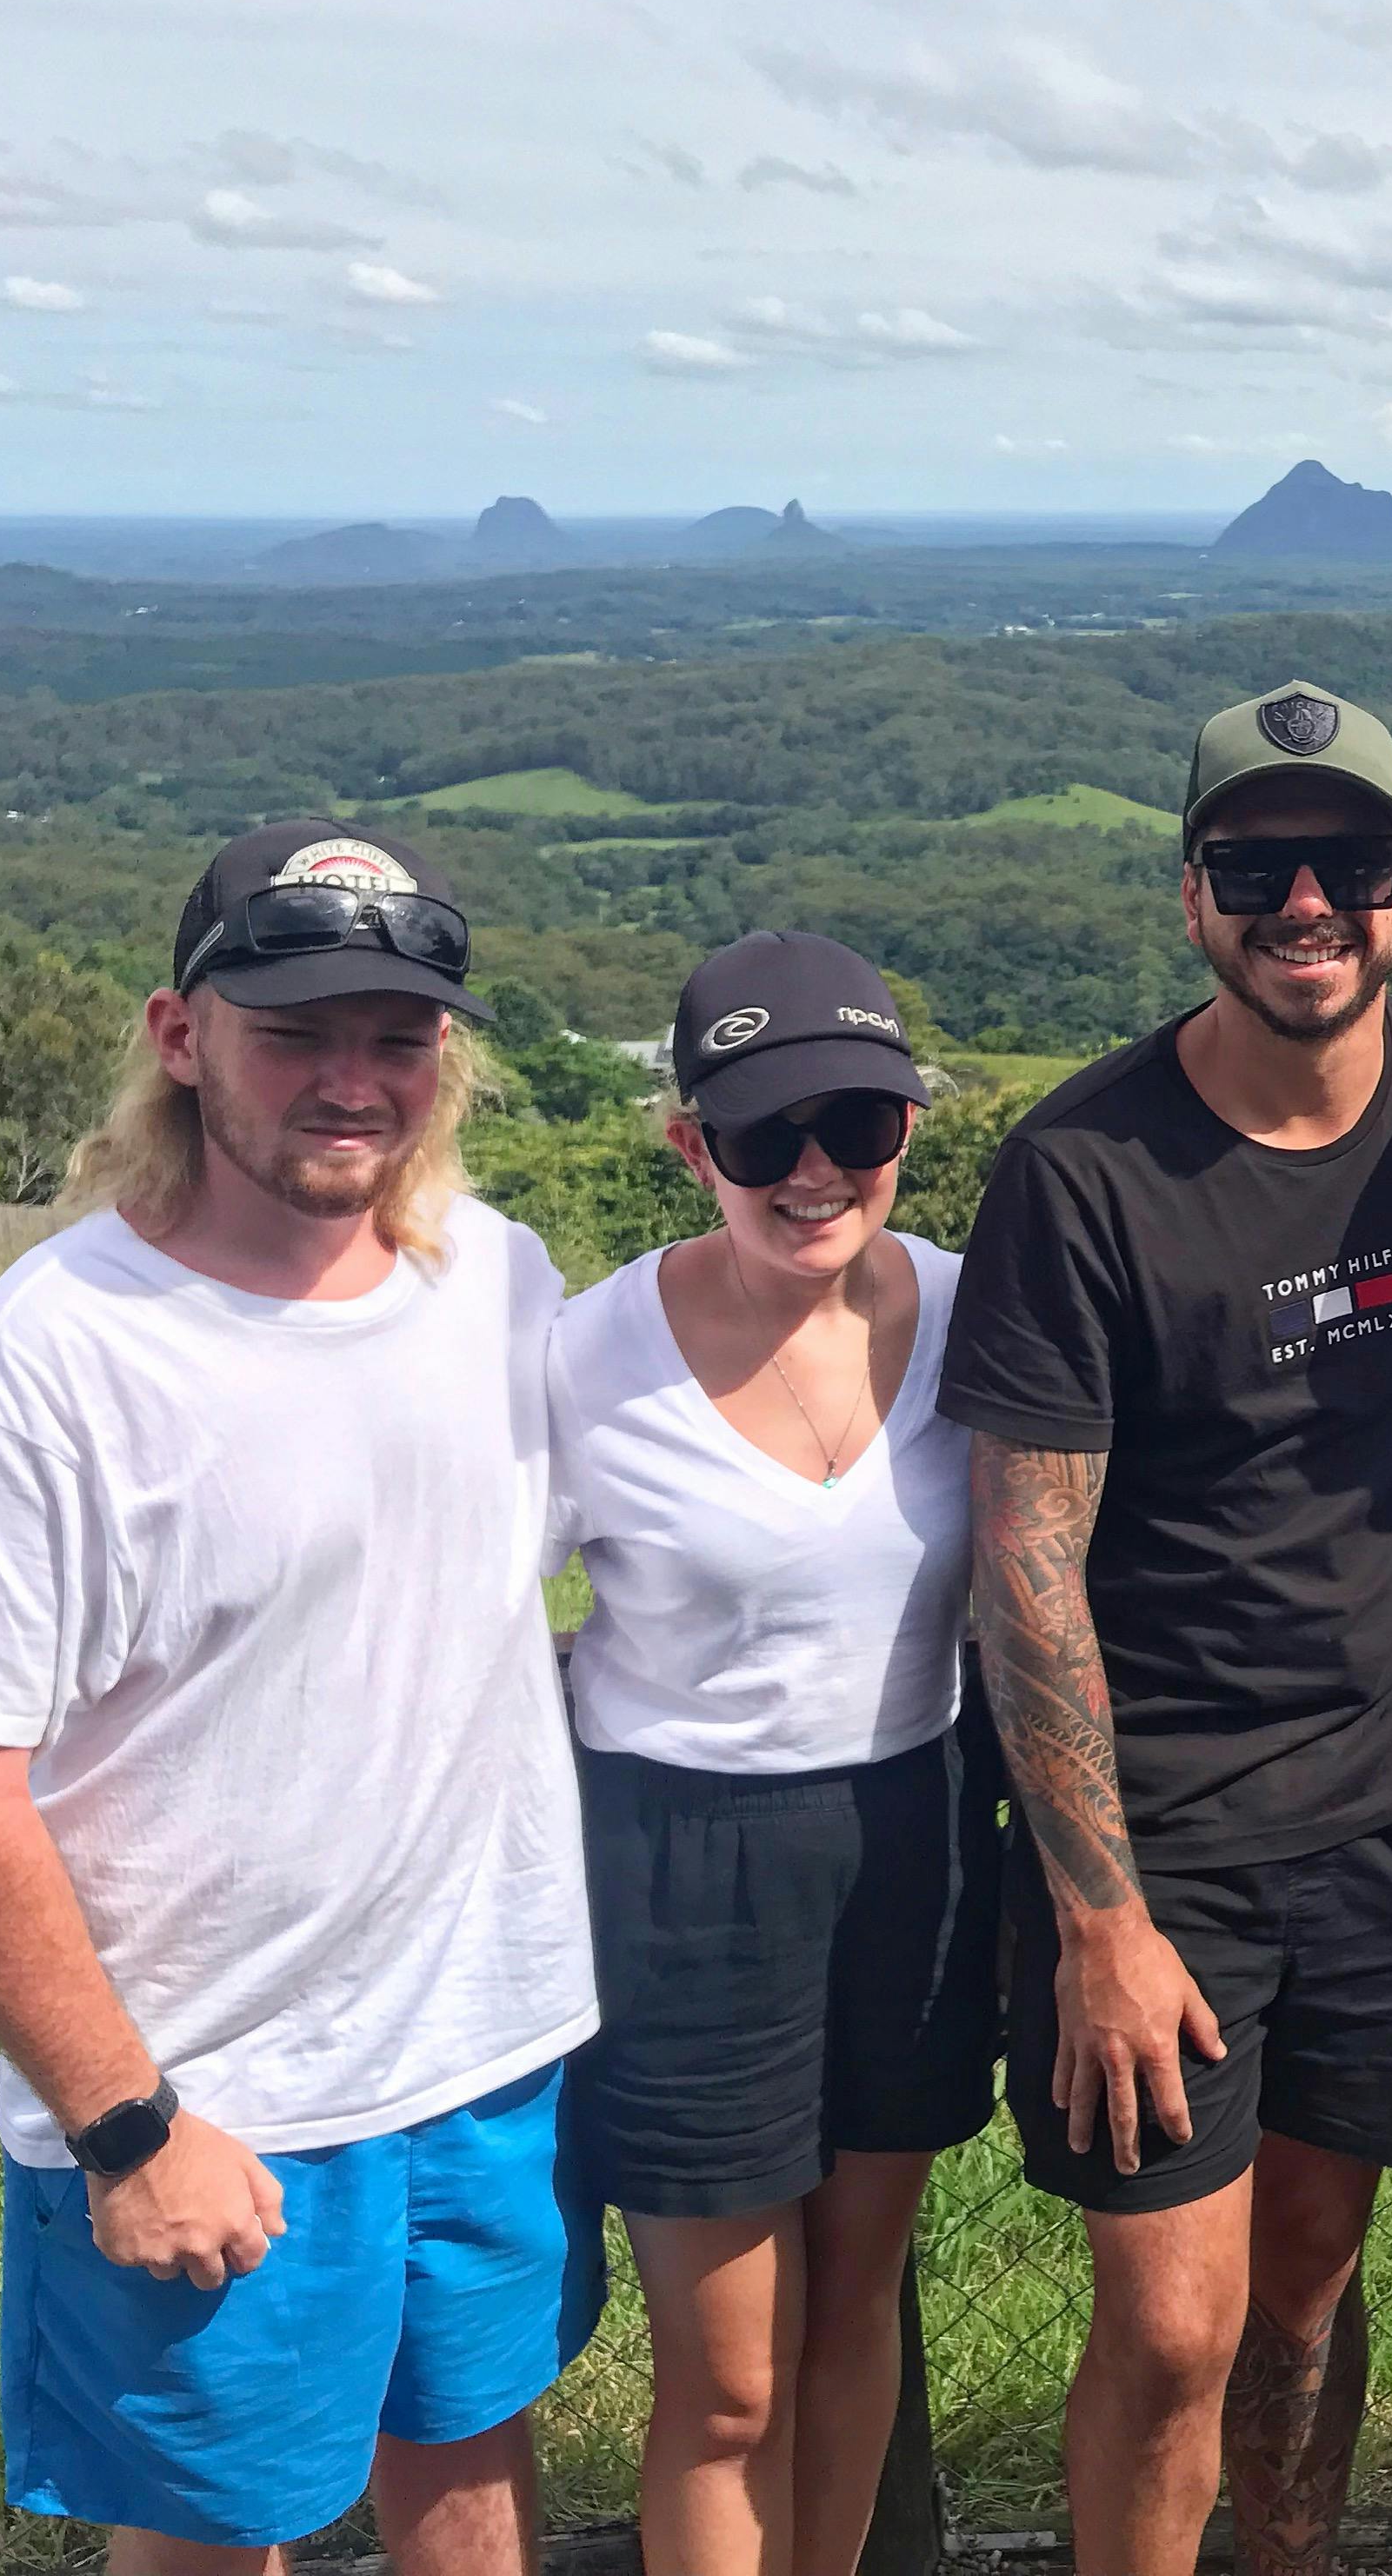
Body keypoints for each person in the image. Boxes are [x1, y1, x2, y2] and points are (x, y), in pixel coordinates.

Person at [0, 822, 597, 2574]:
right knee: (208, 2536)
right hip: (211, 2091)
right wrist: (129, 2126)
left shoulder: (493, 1280)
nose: (352, 1081)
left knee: (475, 2480)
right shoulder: (63, 1350)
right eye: (296, 1032)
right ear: (180, 1037)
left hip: (485, 2052)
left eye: (396, 1037)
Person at [940, 680, 1392, 2576]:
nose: (1302, 903)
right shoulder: (1081, 1173)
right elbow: (1025, 1564)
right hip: (1169, 1836)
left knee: (1305, 2282)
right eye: (1253, 865)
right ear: (1190, 892)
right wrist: (1096, 1918)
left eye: (1345, 862)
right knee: (1169, 2324)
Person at [545, 931, 991, 2576]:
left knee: (857, 2308)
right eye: (761, 1137)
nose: (814, 1172)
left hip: (914, 1835)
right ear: (690, 1146)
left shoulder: (966, 1307)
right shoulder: (585, 1355)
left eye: (857, 1125)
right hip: (683, 1866)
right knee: (728, 2380)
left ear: (907, 1130)